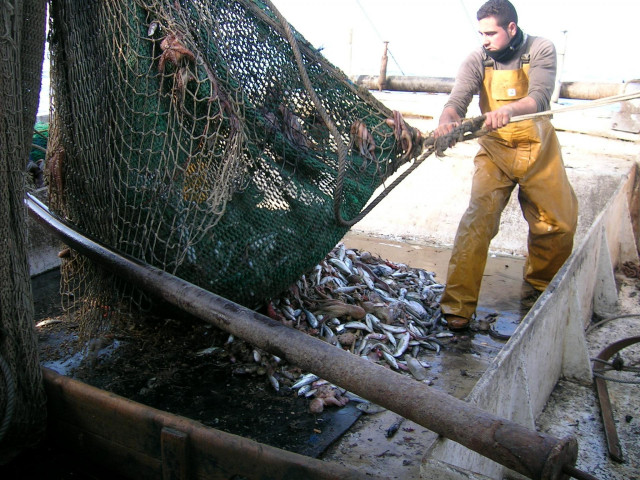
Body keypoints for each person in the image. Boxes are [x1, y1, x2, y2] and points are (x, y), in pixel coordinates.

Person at [433, 0, 578, 331]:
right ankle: (457, 306)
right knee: (477, 223)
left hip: (538, 149)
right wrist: (447, 121)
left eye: (491, 32)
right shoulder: (477, 59)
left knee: (558, 224)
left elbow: (540, 97)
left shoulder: (541, 49)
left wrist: (509, 111)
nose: (484, 39)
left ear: (511, 28)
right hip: (495, 151)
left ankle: (539, 288)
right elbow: (456, 102)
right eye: (480, 32)